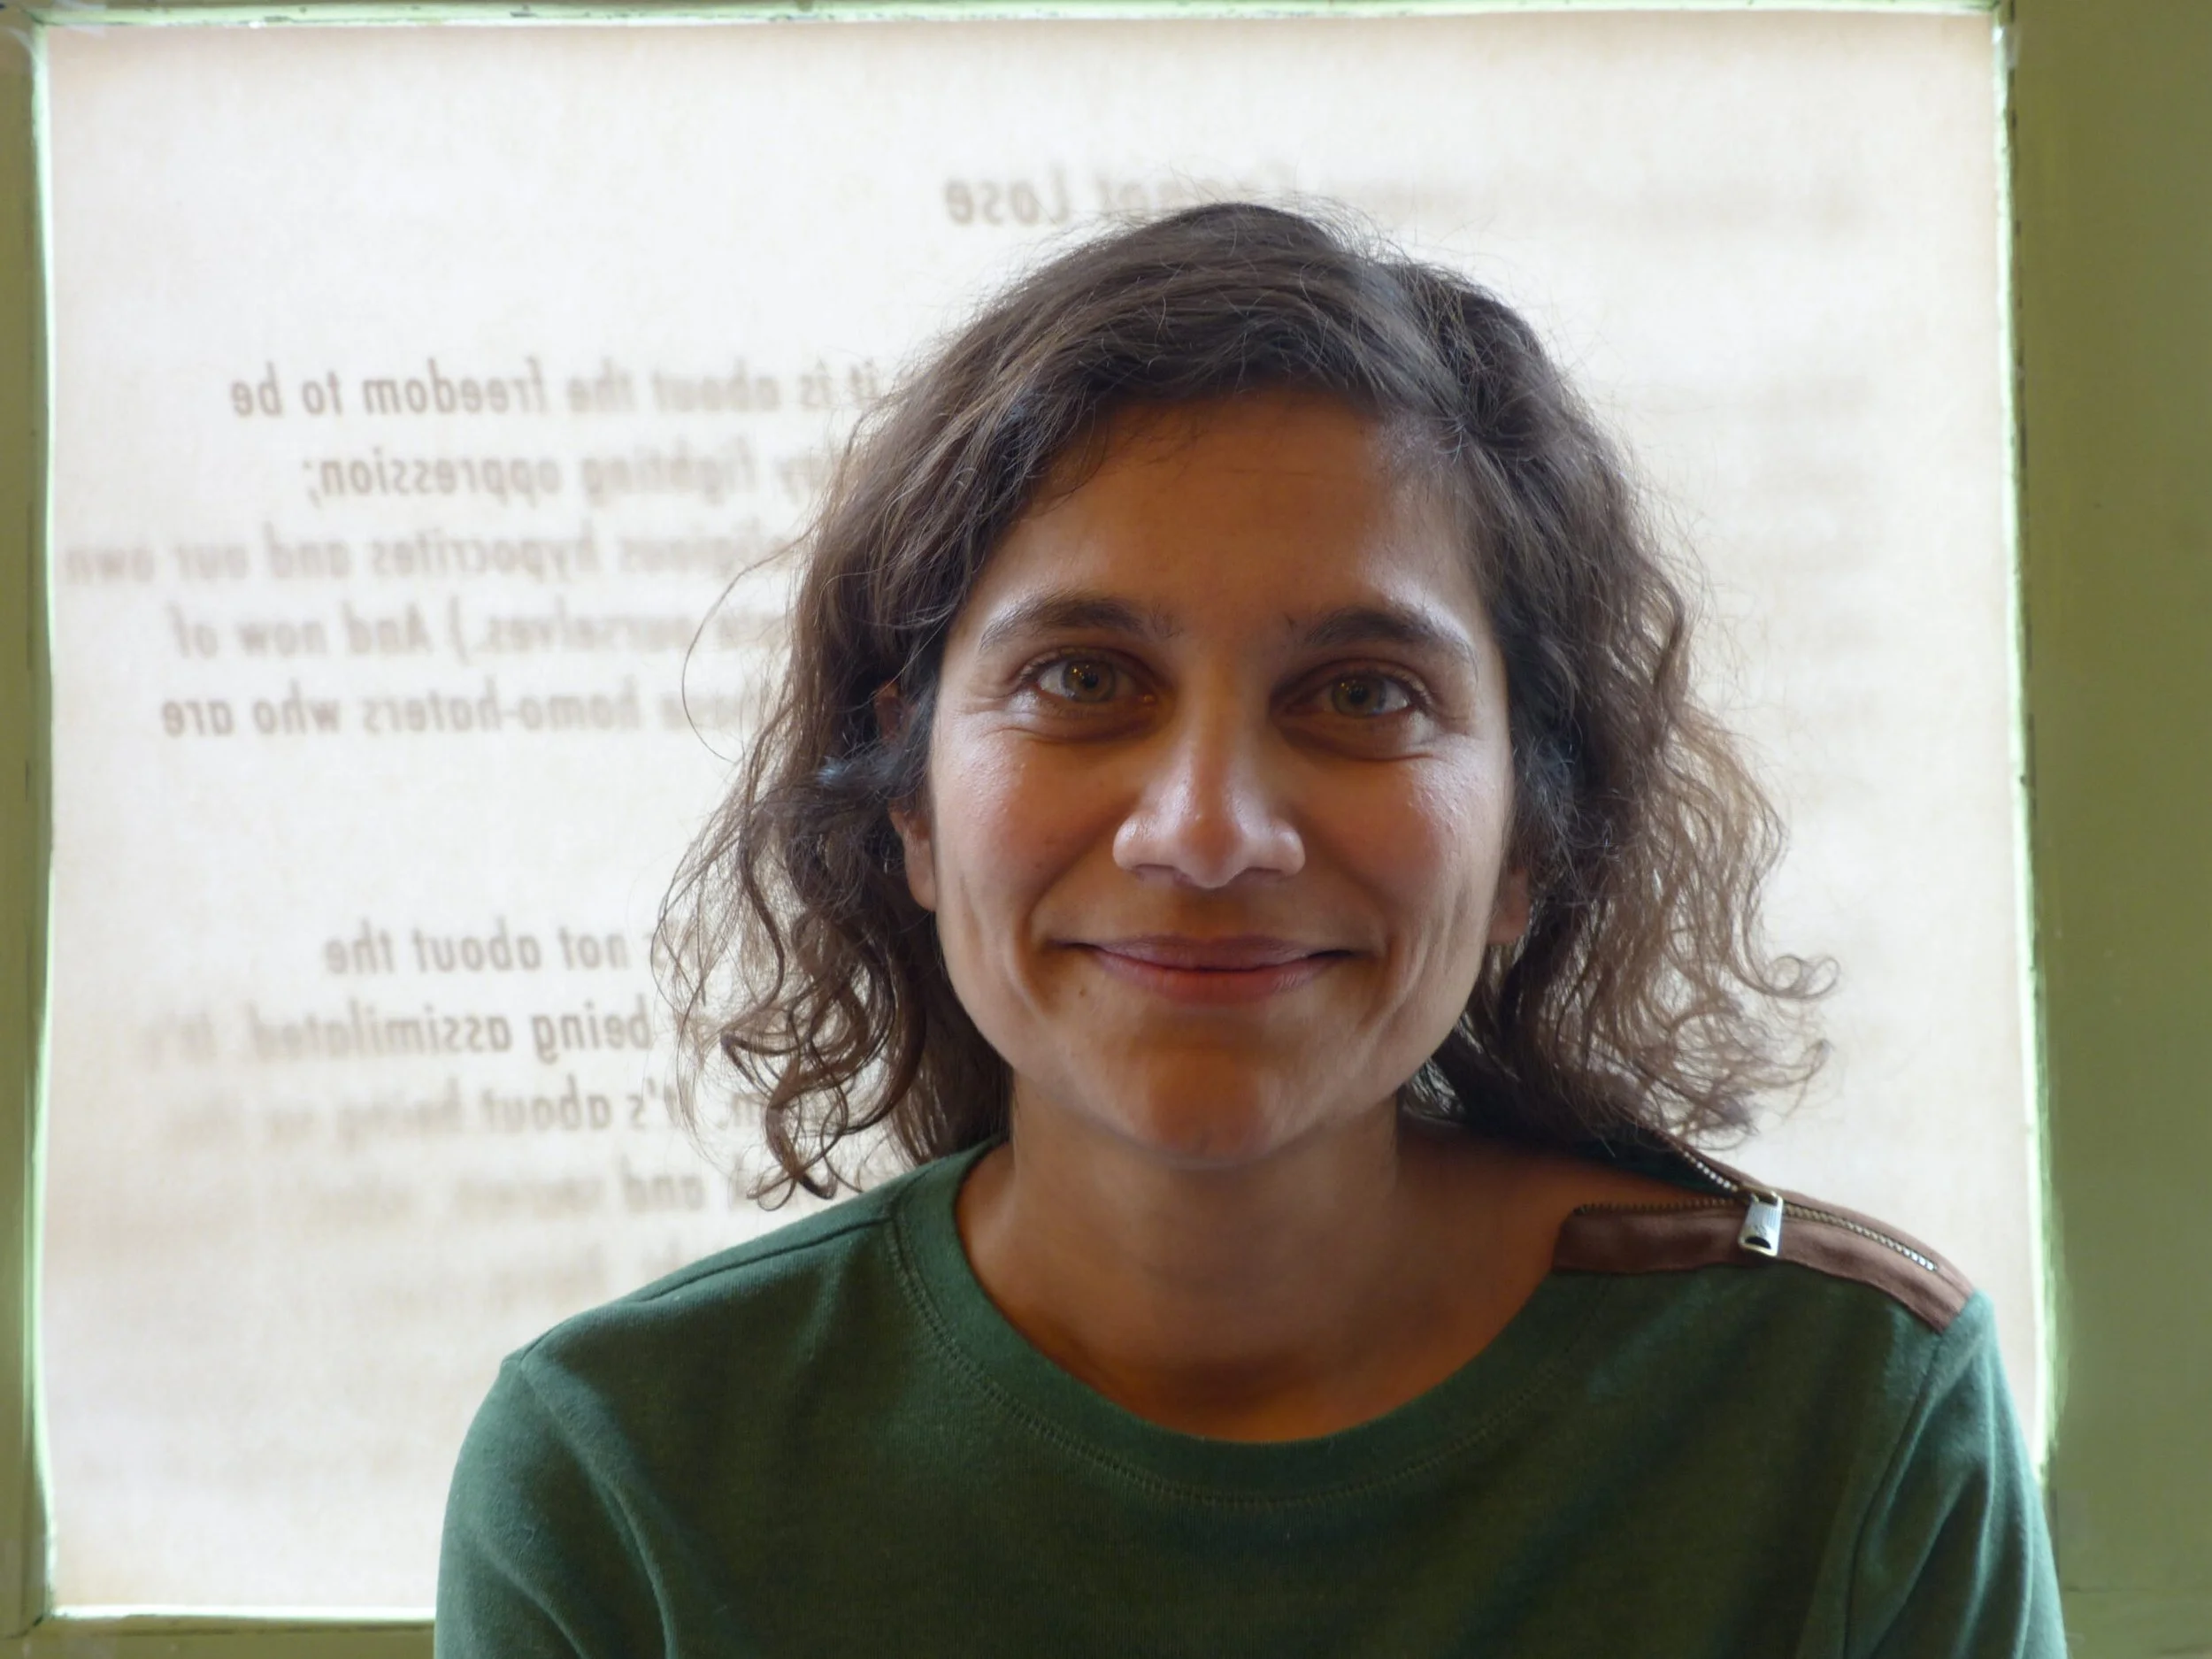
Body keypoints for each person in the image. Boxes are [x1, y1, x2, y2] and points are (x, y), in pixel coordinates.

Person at [435, 203, 2063, 1656]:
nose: (1207, 833)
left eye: (1363, 695)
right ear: (911, 799)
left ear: (1531, 833)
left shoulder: (1846, 1421)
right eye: (1083, 678)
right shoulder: (624, 1476)